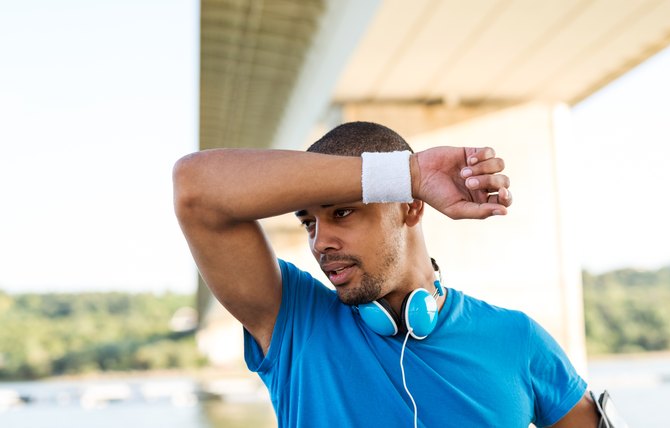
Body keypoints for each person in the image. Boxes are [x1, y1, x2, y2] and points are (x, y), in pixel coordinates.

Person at [173, 121, 601, 427]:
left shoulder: (517, 339)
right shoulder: (293, 323)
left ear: (411, 207)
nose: (320, 242)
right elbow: (195, 189)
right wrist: (409, 173)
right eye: (308, 222)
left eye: (343, 212)